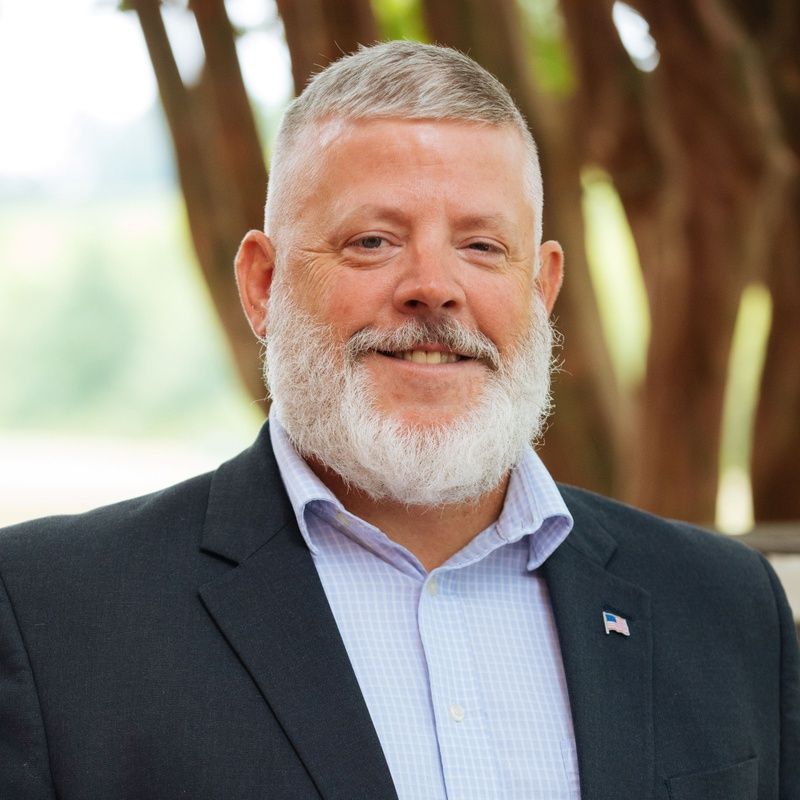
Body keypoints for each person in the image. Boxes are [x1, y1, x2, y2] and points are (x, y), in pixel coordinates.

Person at [0, 41, 797, 800]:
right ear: (262, 285)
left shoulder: (726, 610)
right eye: (373, 241)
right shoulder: (51, 616)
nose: (434, 287)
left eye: (483, 246)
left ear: (542, 291)